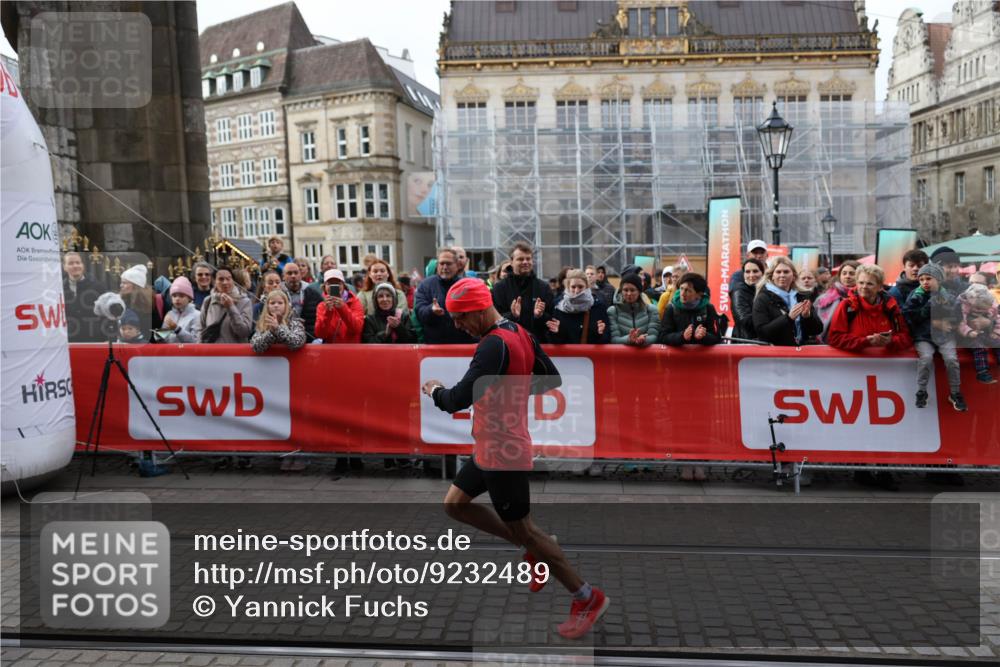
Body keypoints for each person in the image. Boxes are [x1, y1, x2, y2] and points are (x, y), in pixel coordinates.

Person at [422, 277, 609, 639]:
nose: (458, 327)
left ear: (478, 309)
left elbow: (457, 399)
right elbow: (550, 379)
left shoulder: (493, 345)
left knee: (528, 530)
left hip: (502, 452)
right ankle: (535, 545)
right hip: (491, 445)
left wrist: (434, 390)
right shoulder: (518, 332)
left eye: (461, 319)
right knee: (455, 505)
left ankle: (587, 596)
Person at [902, 263, 964, 410]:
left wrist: (944, 319)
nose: (925, 282)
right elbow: (909, 316)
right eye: (921, 279)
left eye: (928, 278)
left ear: (939, 279)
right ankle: (921, 391)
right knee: (926, 358)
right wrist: (931, 314)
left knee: (951, 359)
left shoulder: (949, 296)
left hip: (945, 336)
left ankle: (955, 393)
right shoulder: (915, 296)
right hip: (923, 336)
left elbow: (957, 317)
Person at [827, 263, 912, 353]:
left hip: (885, 365)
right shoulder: (846, 306)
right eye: (861, 283)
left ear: (879, 287)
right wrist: (865, 341)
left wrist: (891, 341)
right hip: (854, 364)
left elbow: (906, 337)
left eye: (869, 284)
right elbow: (834, 338)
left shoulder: (891, 306)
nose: (864, 287)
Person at [752, 257, 824, 347]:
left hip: (801, 352)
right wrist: (788, 318)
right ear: (772, 276)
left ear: (793, 276)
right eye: (778, 272)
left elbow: (817, 330)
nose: (782, 275)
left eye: (786, 272)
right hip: (776, 354)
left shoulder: (801, 296)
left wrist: (808, 317)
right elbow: (762, 333)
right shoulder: (762, 299)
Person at [491, 242, 554, 341]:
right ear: (511, 262)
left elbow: (551, 320)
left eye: (528, 259)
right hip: (509, 345)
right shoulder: (499, 288)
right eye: (520, 259)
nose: (525, 262)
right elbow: (493, 320)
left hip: (536, 345)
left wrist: (539, 316)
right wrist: (512, 316)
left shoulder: (543, 287)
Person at [415, 249, 477, 344]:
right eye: (441, 263)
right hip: (435, 346)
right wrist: (431, 310)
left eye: (448, 264)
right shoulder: (425, 285)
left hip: (463, 344)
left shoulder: (467, 285)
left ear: (457, 265)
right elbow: (419, 312)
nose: (444, 267)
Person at [546, 269, 610, 344]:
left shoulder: (598, 307)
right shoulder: (558, 308)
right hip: (567, 355)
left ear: (586, 286)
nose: (576, 291)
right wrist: (557, 333)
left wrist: (599, 334)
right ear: (568, 287)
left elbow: (606, 339)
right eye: (573, 287)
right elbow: (552, 341)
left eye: (580, 287)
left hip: (589, 355)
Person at [659, 271, 724, 345]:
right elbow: (662, 337)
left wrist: (703, 336)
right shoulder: (671, 308)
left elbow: (716, 337)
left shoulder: (708, 308)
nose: (682, 294)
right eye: (681, 288)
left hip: (701, 355)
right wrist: (682, 336)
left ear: (699, 295)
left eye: (688, 290)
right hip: (678, 356)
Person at [957, 283, 1000, 384]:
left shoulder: (991, 303)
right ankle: (982, 372)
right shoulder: (962, 305)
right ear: (971, 300)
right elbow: (960, 322)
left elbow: (997, 318)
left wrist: (996, 332)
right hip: (969, 335)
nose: (982, 310)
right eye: (979, 308)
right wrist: (969, 332)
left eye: (984, 308)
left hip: (986, 331)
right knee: (979, 347)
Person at [199, 265, 253, 343]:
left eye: (228, 279)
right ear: (214, 282)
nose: (225, 282)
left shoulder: (244, 301)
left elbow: (244, 332)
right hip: (212, 353)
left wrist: (231, 307)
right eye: (221, 279)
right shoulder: (208, 301)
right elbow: (201, 329)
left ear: (233, 281)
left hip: (234, 353)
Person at [607, 273, 659, 346]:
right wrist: (628, 339)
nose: (629, 293)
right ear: (621, 291)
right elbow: (614, 339)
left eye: (632, 290)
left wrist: (644, 340)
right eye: (625, 290)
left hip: (645, 355)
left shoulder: (652, 310)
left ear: (639, 291)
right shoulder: (613, 311)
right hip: (621, 356)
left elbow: (654, 335)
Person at [314, 268, 364, 344]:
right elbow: (320, 334)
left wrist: (342, 308)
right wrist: (328, 312)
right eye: (329, 283)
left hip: (352, 350)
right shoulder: (322, 306)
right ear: (324, 287)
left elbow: (357, 328)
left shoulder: (355, 302)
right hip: (331, 351)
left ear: (344, 285)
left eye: (338, 283)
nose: (334, 286)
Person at [62, 251, 103, 342]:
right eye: (71, 263)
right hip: (69, 339)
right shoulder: (59, 288)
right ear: (64, 267)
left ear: (83, 265)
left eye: (78, 262)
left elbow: (106, 313)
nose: (75, 266)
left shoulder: (97, 286)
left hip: (94, 339)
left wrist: (107, 338)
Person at [251, 289, 306, 353]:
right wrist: (271, 332)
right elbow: (256, 347)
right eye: (272, 303)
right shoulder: (262, 324)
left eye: (280, 303)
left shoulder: (295, 323)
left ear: (286, 306)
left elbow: (297, 343)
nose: (276, 305)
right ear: (267, 306)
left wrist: (278, 329)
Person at [815, 259, 860, 339]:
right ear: (839, 276)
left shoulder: (867, 297)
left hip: (856, 341)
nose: (847, 276)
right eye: (844, 273)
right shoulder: (823, 298)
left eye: (852, 273)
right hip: (828, 344)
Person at [283, 261, 322, 341]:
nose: (293, 276)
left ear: (300, 275)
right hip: (284, 339)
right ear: (283, 276)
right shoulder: (277, 295)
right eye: (289, 273)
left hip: (310, 339)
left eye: (296, 273)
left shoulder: (313, 294)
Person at [119, 264, 159, 340]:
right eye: (121, 282)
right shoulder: (123, 301)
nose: (121, 285)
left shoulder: (146, 303)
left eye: (125, 283)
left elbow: (151, 329)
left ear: (135, 285)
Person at [730, 258, 765, 341]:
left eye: (755, 271)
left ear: (762, 273)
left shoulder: (767, 290)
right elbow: (745, 320)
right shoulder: (739, 291)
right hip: (746, 341)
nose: (751, 275)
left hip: (763, 341)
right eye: (747, 272)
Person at [159, 276, 202, 343]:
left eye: (181, 296)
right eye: (174, 296)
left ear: (189, 298)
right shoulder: (170, 314)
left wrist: (177, 329)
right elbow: (163, 340)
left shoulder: (197, 315)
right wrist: (159, 335)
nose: (177, 299)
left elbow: (195, 340)